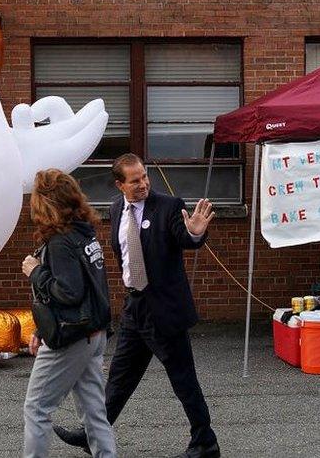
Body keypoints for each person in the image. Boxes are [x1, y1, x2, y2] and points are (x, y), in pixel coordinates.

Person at [54, 153, 220, 458]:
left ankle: (205, 442)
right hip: (135, 307)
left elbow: (186, 237)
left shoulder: (169, 206)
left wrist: (196, 233)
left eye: (144, 176)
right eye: (135, 180)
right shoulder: (117, 209)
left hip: (165, 310)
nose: (143, 183)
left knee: (183, 379)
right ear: (120, 185)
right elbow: (125, 256)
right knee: (119, 378)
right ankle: (94, 435)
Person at [21, 169, 116, 458]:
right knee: (93, 410)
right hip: (94, 332)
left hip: (71, 335)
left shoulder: (61, 242)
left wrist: (35, 272)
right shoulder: (84, 233)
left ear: (44, 203)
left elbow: (69, 292)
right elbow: (87, 289)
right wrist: (40, 329)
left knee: (37, 409)